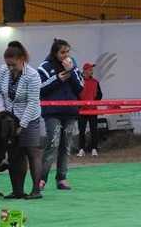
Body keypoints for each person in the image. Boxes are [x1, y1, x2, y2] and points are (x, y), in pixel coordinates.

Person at [0, 41, 43, 199]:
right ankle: (17, 191)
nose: (9, 68)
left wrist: (22, 125)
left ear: (22, 59)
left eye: (13, 65)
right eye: (7, 64)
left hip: (30, 118)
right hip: (9, 119)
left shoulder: (33, 75)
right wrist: (3, 114)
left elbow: (33, 102)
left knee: (32, 153)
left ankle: (36, 191)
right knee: (14, 155)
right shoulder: (3, 71)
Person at [38, 39, 84, 190]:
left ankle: (62, 178)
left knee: (66, 145)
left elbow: (80, 88)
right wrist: (57, 79)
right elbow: (39, 89)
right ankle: (41, 179)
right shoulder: (44, 67)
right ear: (55, 53)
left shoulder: (73, 65)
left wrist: (71, 72)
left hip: (70, 112)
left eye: (67, 52)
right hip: (52, 113)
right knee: (53, 143)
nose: (66, 55)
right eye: (62, 52)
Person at [77, 62, 102, 157]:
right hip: (82, 110)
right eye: (90, 69)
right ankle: (81, 149)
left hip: (93, 110)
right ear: (85, 70)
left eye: (92, 69)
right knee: (81, 130)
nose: (92, 71)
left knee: (94, 130)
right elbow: (76, 94)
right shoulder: (79, 81)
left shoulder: (95, 82)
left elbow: (100, 95)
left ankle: (94, 149)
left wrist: (93, 100)